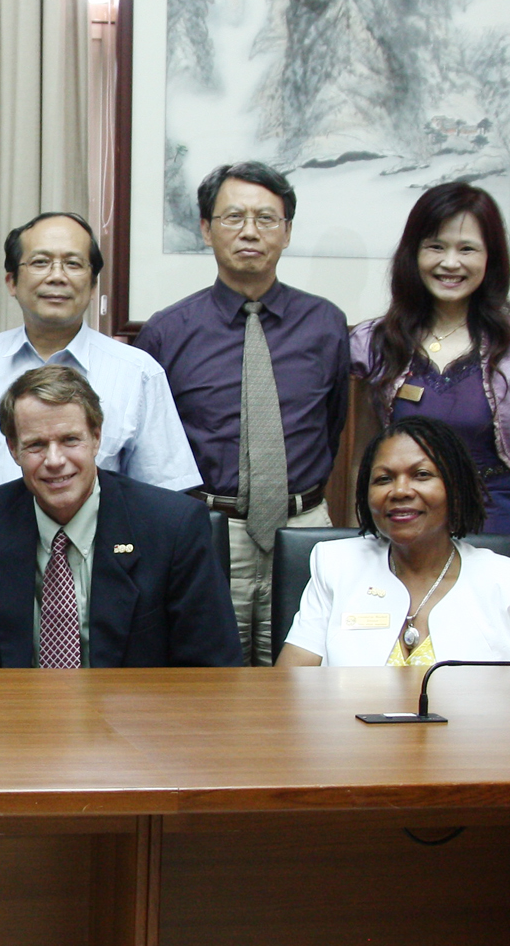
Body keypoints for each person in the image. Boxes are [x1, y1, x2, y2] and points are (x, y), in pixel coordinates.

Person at [135, 162, 350, 665]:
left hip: (305, 527)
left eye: (266, 218)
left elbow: (333, 423)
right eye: (233, 217)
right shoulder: (168, 332)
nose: (250, 231)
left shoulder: (325, 323)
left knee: (305, 676)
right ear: (206, 229)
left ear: (287, 231)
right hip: (208, 529)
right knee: (214, 673)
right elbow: (155, 448)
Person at [0, 366, 241, 669]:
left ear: (96, 438)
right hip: (18, 700)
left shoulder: (173, 526)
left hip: (138, 701)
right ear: (13, 449)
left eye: (70, 440)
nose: (55, 461)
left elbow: (211, 667)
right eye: (36, 445)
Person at [350, 183, 510, 576]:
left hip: (499, 526)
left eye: (467, 249)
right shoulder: (376, 344)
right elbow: (365, 460)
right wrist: (358, 549)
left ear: (490, 258)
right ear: (413, 253)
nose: (450, 263)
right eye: (436, 246)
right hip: (405, 527)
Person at [277, 416, 510, 667]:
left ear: (456, 488)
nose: (400, 491)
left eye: (421, 475)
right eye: (384, 479)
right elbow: (290, 686)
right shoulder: (335, 565)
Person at [0, 211, 198, 495]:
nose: (57, 277)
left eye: (73, 264)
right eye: (40, 262)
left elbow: (165, 492)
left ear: (93, 284)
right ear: (12, 281)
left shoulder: (137, 372)